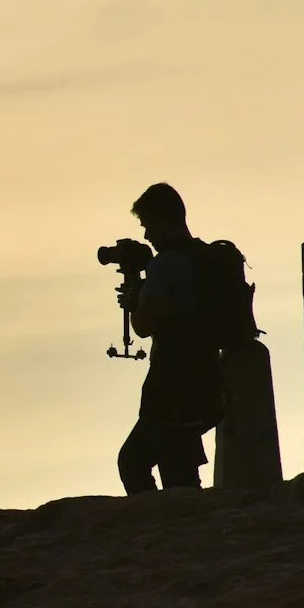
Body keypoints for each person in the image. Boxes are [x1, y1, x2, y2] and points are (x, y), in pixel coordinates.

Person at [116, 183, 223, 494]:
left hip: (172, 387)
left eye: (147, 224)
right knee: (179, 471)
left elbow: (142, 326)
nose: (146, 235)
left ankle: (166, 520)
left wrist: (135, 298)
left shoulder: (166, 265)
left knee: (135, 462)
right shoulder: (204, 257)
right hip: (207, 380)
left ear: (163, 220)